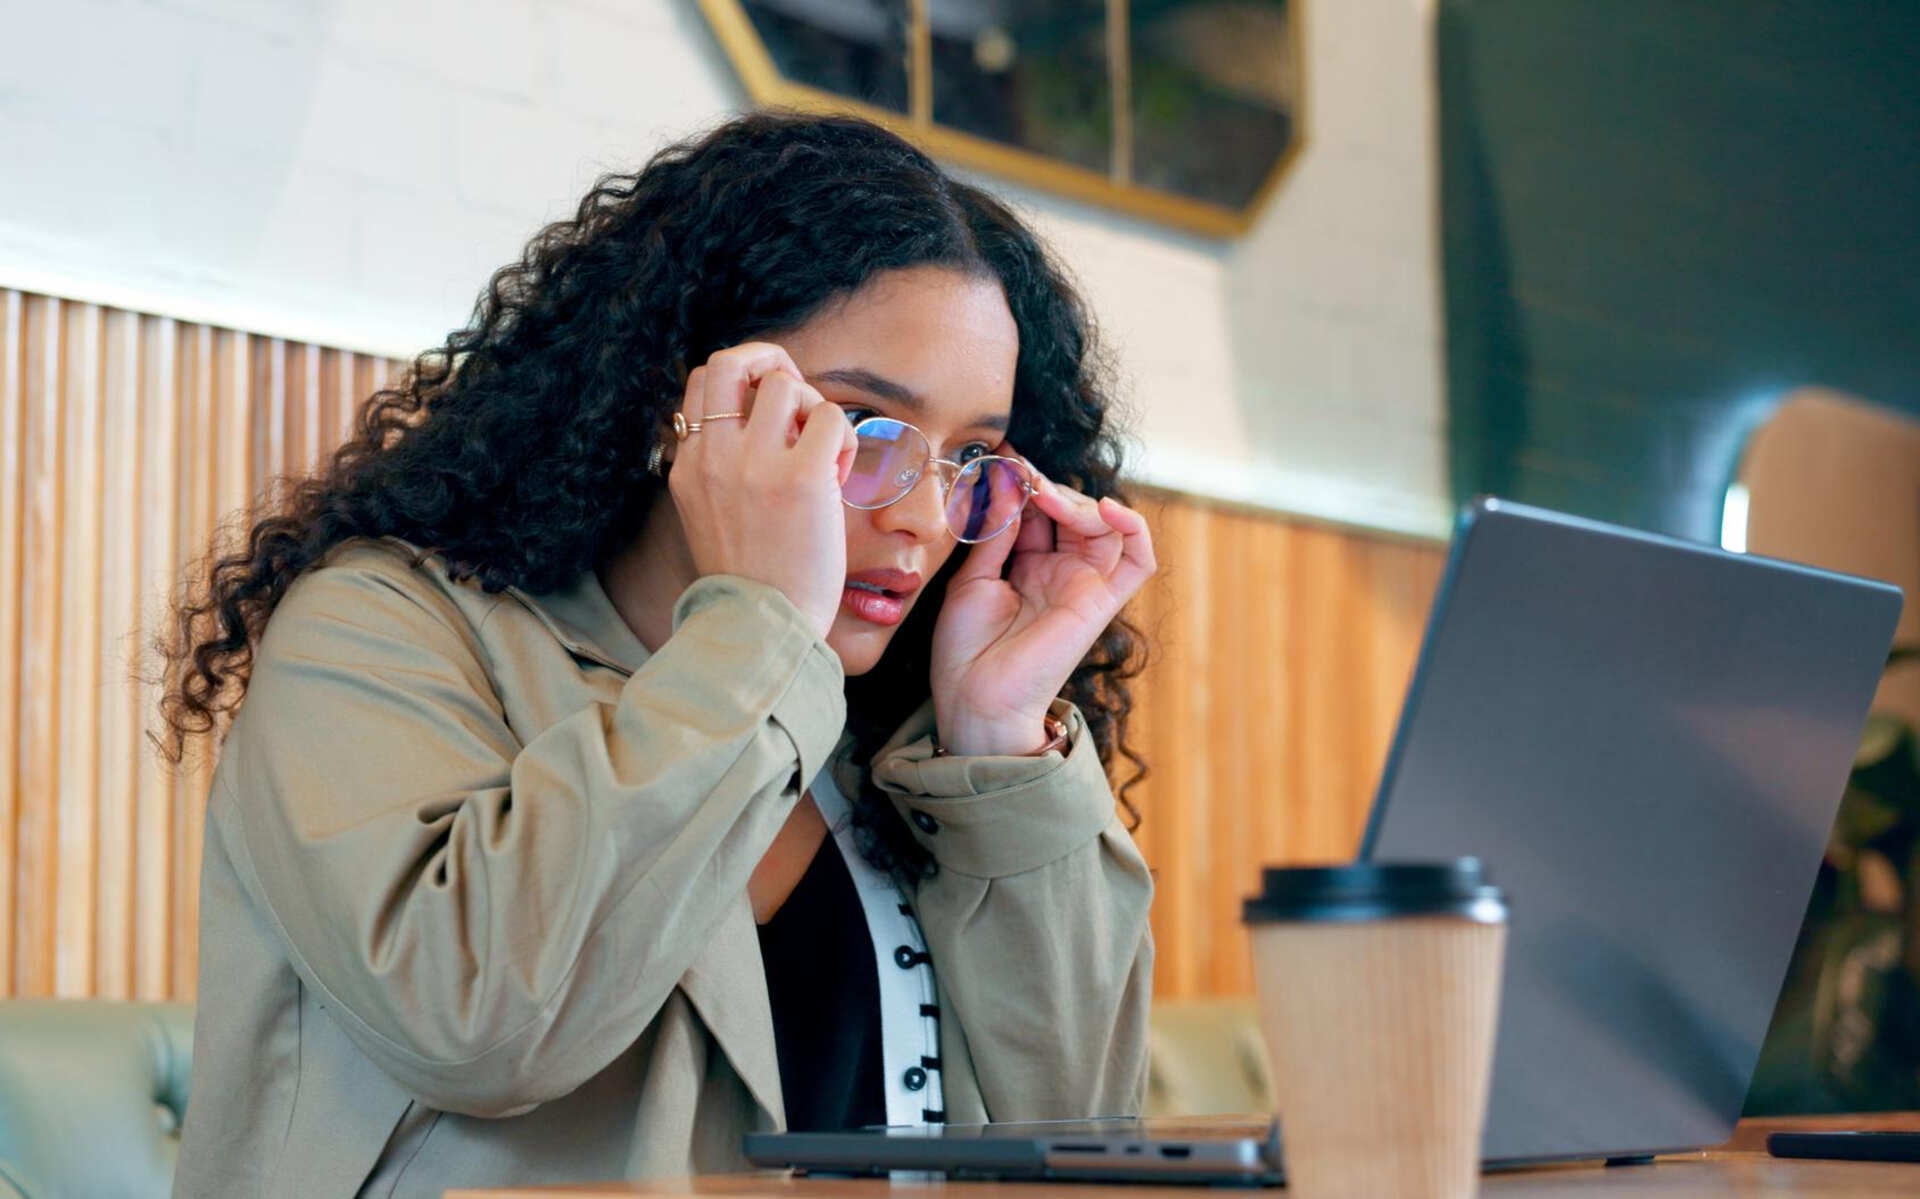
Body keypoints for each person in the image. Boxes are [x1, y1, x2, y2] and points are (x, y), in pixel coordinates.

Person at [158, 112, 1156, 1198]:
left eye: (971, 459)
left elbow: (1084, 1143)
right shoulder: (375, 628)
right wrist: (760, 630)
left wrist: (998, 746)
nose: (922, 515)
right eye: (864, 427)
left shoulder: (897, 740)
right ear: (681, 405)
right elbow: (482, 1023)